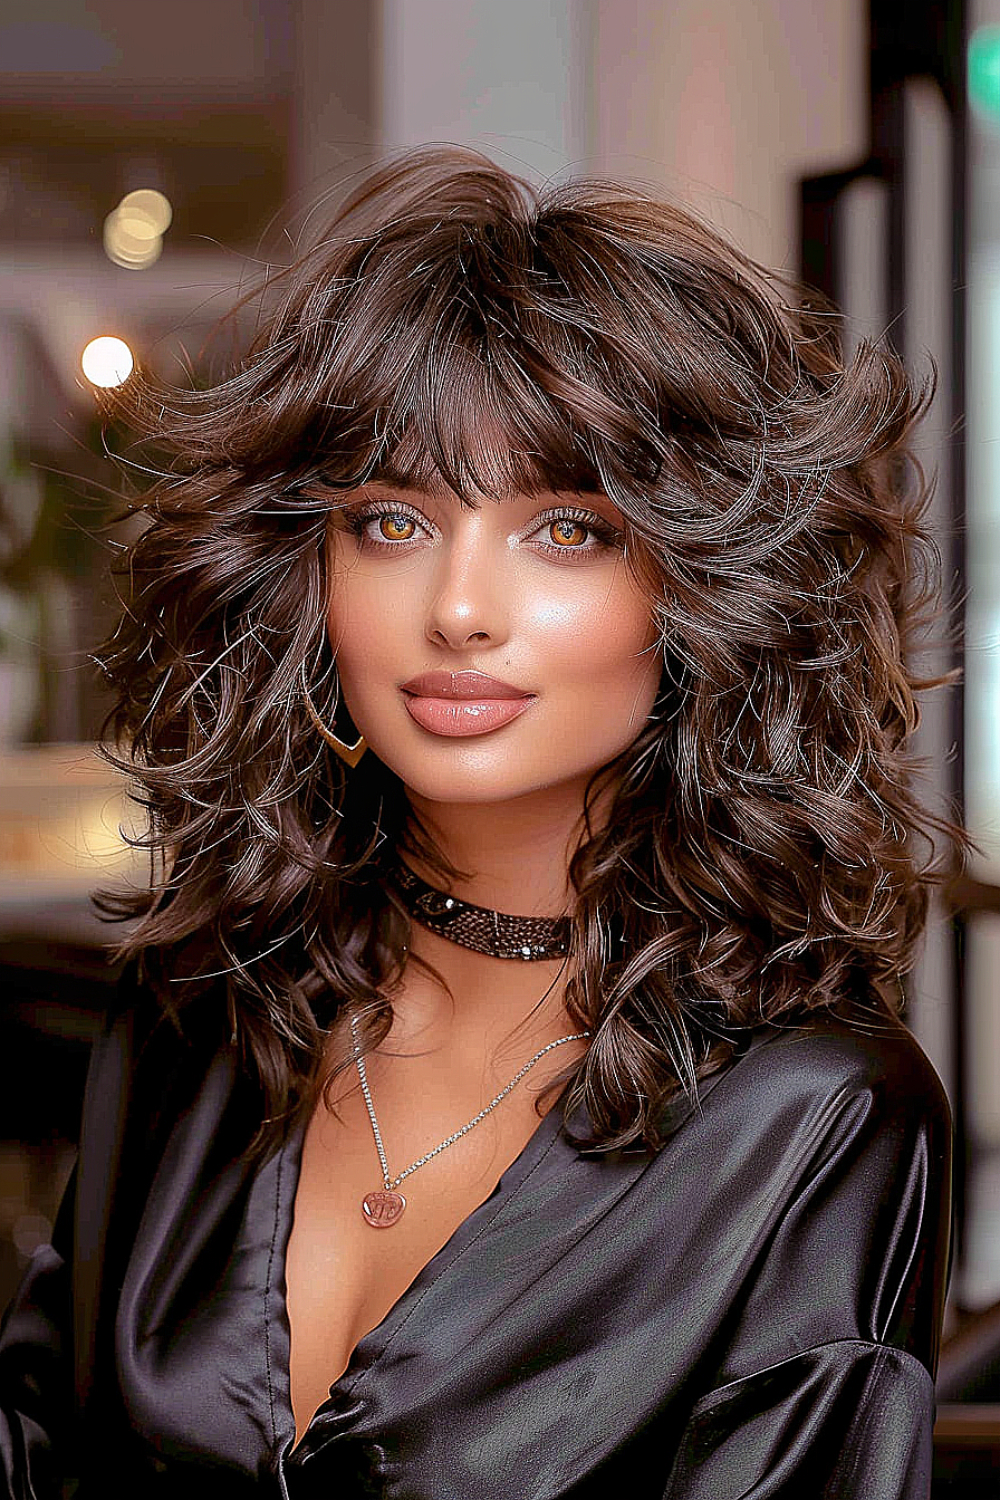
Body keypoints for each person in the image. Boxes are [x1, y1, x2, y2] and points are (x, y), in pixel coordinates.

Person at [0, 143, 964, 1497]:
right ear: (310, 580)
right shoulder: (198, 1020)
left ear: (698, 597)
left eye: (565, 530)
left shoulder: (810, 1118)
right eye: (393, 521)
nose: (460, 607)